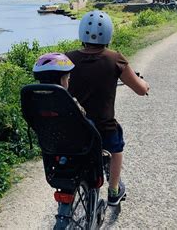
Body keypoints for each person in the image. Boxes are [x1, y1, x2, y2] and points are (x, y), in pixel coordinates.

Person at [66, 10, 149, 206]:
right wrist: (146, 86)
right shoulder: (115, 59)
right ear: (109, 34)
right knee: (116, 146)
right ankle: (113, 191)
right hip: (103, 128)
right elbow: (139, 88)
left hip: (73, 128)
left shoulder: (66, 59)